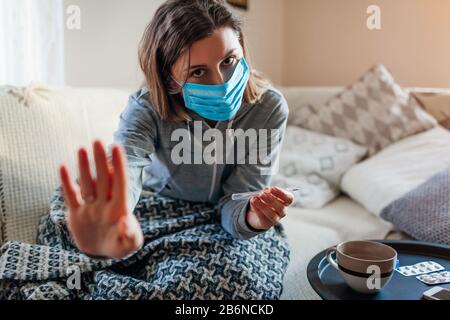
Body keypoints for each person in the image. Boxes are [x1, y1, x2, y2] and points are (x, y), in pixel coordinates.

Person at [59, 0, 294, 260]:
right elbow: (129, 162)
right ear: (170, 80)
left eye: (229, 60)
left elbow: (240, 197)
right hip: (161, 207)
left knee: (240, 274)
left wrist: (254, 217)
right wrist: (117, 216)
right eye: (198, 72)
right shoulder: (146, 108)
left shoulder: (269, 108)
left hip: (228, 219)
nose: (220, 83)